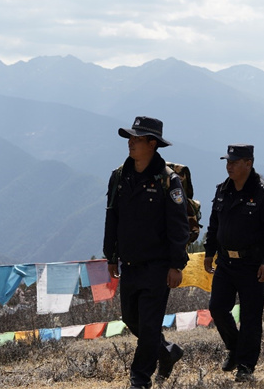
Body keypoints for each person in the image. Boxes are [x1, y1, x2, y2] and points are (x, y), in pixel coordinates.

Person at [103, 116, 190, 389]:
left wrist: (177, 265)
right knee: (131, 319)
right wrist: (110, 255)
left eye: (137, 139)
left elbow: (178, 226)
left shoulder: (168, 180)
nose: (130, 143)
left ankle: (139, 379)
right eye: (130, 138)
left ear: (152, 144)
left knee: (150, 326)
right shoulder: (119, 176)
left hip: (158, 265)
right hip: (129, 263)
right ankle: (166, 352)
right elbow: (112, 217)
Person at [204, 144, 264, 382]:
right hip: (226, 262)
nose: (229, 166)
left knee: (250, 317)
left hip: (253, 265)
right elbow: (214, 225)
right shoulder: (222, 191)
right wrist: (209, 253)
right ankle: (235, 348)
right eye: (227, 162)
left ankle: (246, 365)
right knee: (217, 308)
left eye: (234, 162)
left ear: (248, 164)